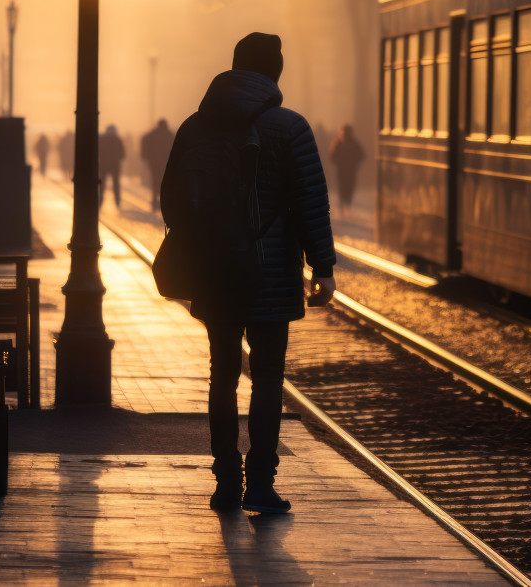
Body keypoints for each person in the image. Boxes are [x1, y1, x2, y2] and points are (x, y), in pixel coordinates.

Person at [162, 32, 335, 514]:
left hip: (215, 273)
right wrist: (323, 268)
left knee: (222, 377)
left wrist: (208, 241)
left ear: (235, 68)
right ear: (275, 73)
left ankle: (224, 484)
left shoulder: (195, 128)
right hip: (272, 273)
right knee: (267, 379)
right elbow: (310, 205)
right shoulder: (291, 127)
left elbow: (171, 203)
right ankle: (260, 483)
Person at [328, 124, 364, 215]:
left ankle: (345, 202)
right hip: (345, 169)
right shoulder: (340, 143)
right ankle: (345, 203)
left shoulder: (344, 143)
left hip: (348, 169)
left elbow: (361, 155)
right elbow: (332, 156)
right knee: (345, 186)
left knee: (347, 186)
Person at [139, 119, 174, 211]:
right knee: (166, 181)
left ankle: (155, 201)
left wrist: (145, 156)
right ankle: (164, 201)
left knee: (155, 181)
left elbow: (145, 142)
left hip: (153, 162)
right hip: (166, 162)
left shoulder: (151, 135)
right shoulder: (169, 135)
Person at [98, 125, 125, 208]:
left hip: (103, 165)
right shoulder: (117, 140)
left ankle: (100, 198)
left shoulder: (102, 139)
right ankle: (117, 200)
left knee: (102, 183)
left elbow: (98, 151)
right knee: (116, 183)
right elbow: (123, 154)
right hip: (115, 165)